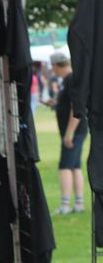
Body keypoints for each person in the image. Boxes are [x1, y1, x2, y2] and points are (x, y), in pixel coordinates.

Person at [46, 50, 88, 215]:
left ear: (56, 65)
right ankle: (79, 203)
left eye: (52, 66)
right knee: (75, 166)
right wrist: (54, 104)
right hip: (77, 130)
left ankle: (64, 205)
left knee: (64, 167)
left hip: (74, 131)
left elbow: (76, 107)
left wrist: (69, 132)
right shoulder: (69, 80)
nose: (52, 70)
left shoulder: (70, 79)